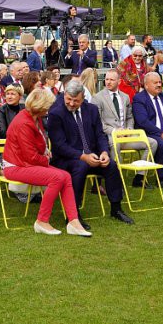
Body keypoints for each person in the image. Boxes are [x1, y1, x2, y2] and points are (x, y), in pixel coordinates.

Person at [2, 89, 93, 237]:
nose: (50, 108)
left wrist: (44, 151)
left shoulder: (34, 117)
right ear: (40, 106)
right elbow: (30, 156)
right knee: (57, 177)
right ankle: (41, 221)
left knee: (65, 176)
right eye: (48, 105)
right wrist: (46, 158)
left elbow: (35, 147)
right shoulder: (24, 122)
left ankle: (73, 221)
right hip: (16, 167)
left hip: (25, 163)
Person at [48, 81, 134, 227]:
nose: (71, 103)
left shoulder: (92, 110)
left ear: (83, 98)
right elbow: (59, 145)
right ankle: (73, 215)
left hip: (91, 156)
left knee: (111, 165)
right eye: (68, 99)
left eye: (76, 100)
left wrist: (104, 152)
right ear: (64, 96)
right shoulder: (56, 112)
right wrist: (82, 156)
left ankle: (116, 208)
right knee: (80, 166)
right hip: (66, 159)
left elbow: (100, 135)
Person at [92, 70, 157, 188]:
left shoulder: (125, 97)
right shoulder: (97, 98)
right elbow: (98, 122)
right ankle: (116, 180)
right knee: (114, 145)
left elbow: (129, 117)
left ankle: (140, 177)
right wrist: (115, 131)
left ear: (119, 81)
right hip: (110, 136)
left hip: (127, 136)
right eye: (106, 79)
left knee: (152, 143)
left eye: (112, 80)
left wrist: (129, 129)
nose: (108, 82)